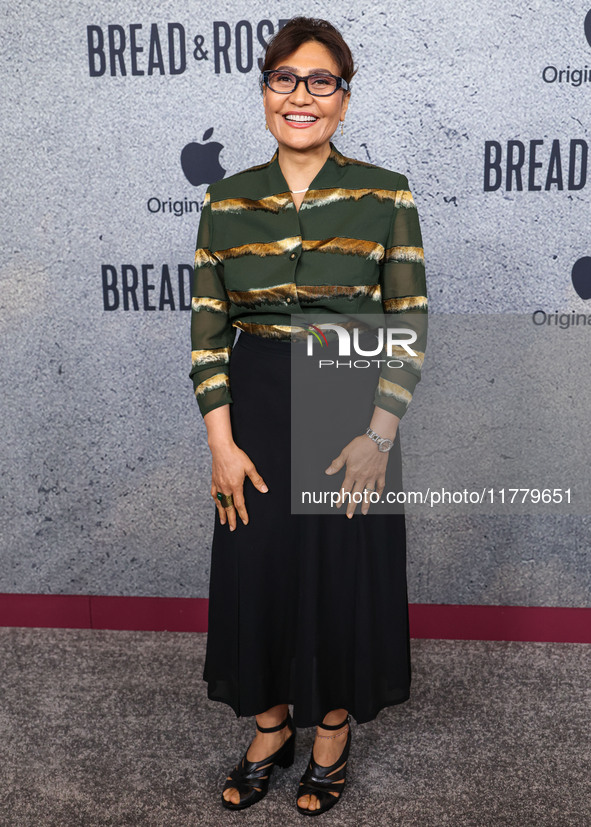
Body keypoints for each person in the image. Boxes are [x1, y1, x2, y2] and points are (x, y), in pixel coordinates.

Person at [190, 16, 427, 816]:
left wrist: (377, 435)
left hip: (347, 399)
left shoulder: (386, 192)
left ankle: (329, 728)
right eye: (285, 78)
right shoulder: (225, 198)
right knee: (255, 566)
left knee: (338, 573)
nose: (302, 95)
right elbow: (208, 329)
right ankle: (269, 726)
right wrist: (220, 443)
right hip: (252, 401)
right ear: (265, 93)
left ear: (343, 100)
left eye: (320, 81)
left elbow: (408, 322)